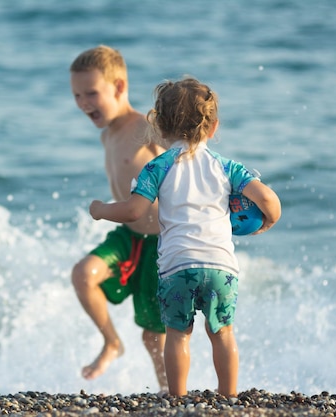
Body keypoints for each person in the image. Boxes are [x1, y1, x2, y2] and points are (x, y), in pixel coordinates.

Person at [89, 77, 281, 397]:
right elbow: (270, 201)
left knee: (178, 334)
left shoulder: (157, 167)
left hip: (177, 266)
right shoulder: (227, 167)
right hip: (221, 266)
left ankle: (177, 398)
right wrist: (266, 223)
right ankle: (228, 395)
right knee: (223, 333)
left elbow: (134, 211)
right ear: (213, 127)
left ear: (159, 128)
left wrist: (101, 209)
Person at [69, 45, 168, 392]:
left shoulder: (146, 127)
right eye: (77, 95)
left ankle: (169, 393)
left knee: (154, 337)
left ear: (119, 87)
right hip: (128, 237)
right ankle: (111, 342)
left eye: (92, 93)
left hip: (162, 243)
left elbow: (185, 160)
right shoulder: (106, 135)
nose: (83, 103)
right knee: (84, 274)